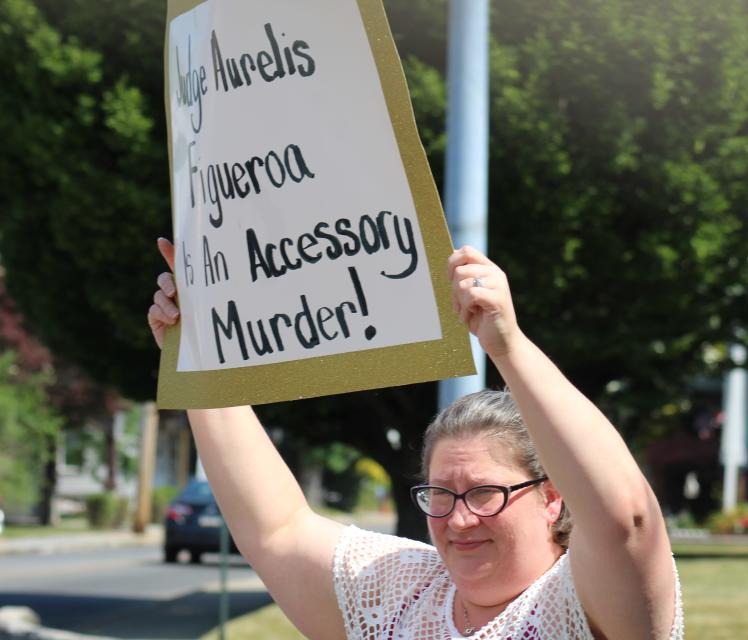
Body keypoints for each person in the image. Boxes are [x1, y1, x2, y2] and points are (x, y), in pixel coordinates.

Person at [148, 238, 683, 639]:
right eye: (441, 495)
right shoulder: (400, 593)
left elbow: (627, 520)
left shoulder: (582, 602)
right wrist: (196, 359)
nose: (457, 519)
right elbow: (276, 531)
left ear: (550, 497)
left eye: (483, 493)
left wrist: (508, 346)